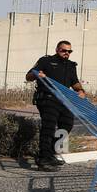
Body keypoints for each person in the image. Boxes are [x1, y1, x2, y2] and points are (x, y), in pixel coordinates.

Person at [26, 41, 86, 171]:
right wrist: (37, 74)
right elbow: (28, 76)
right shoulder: (46, 61)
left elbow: (74, 82)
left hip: (64, 101)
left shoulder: (71, 66)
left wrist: (80, 91)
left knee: (66, 126)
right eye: (64, 50)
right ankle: (43, 159)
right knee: (48, 127)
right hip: (47, 99)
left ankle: (50, 154)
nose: (66, 53)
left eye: (69, 51)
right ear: (57, 49)